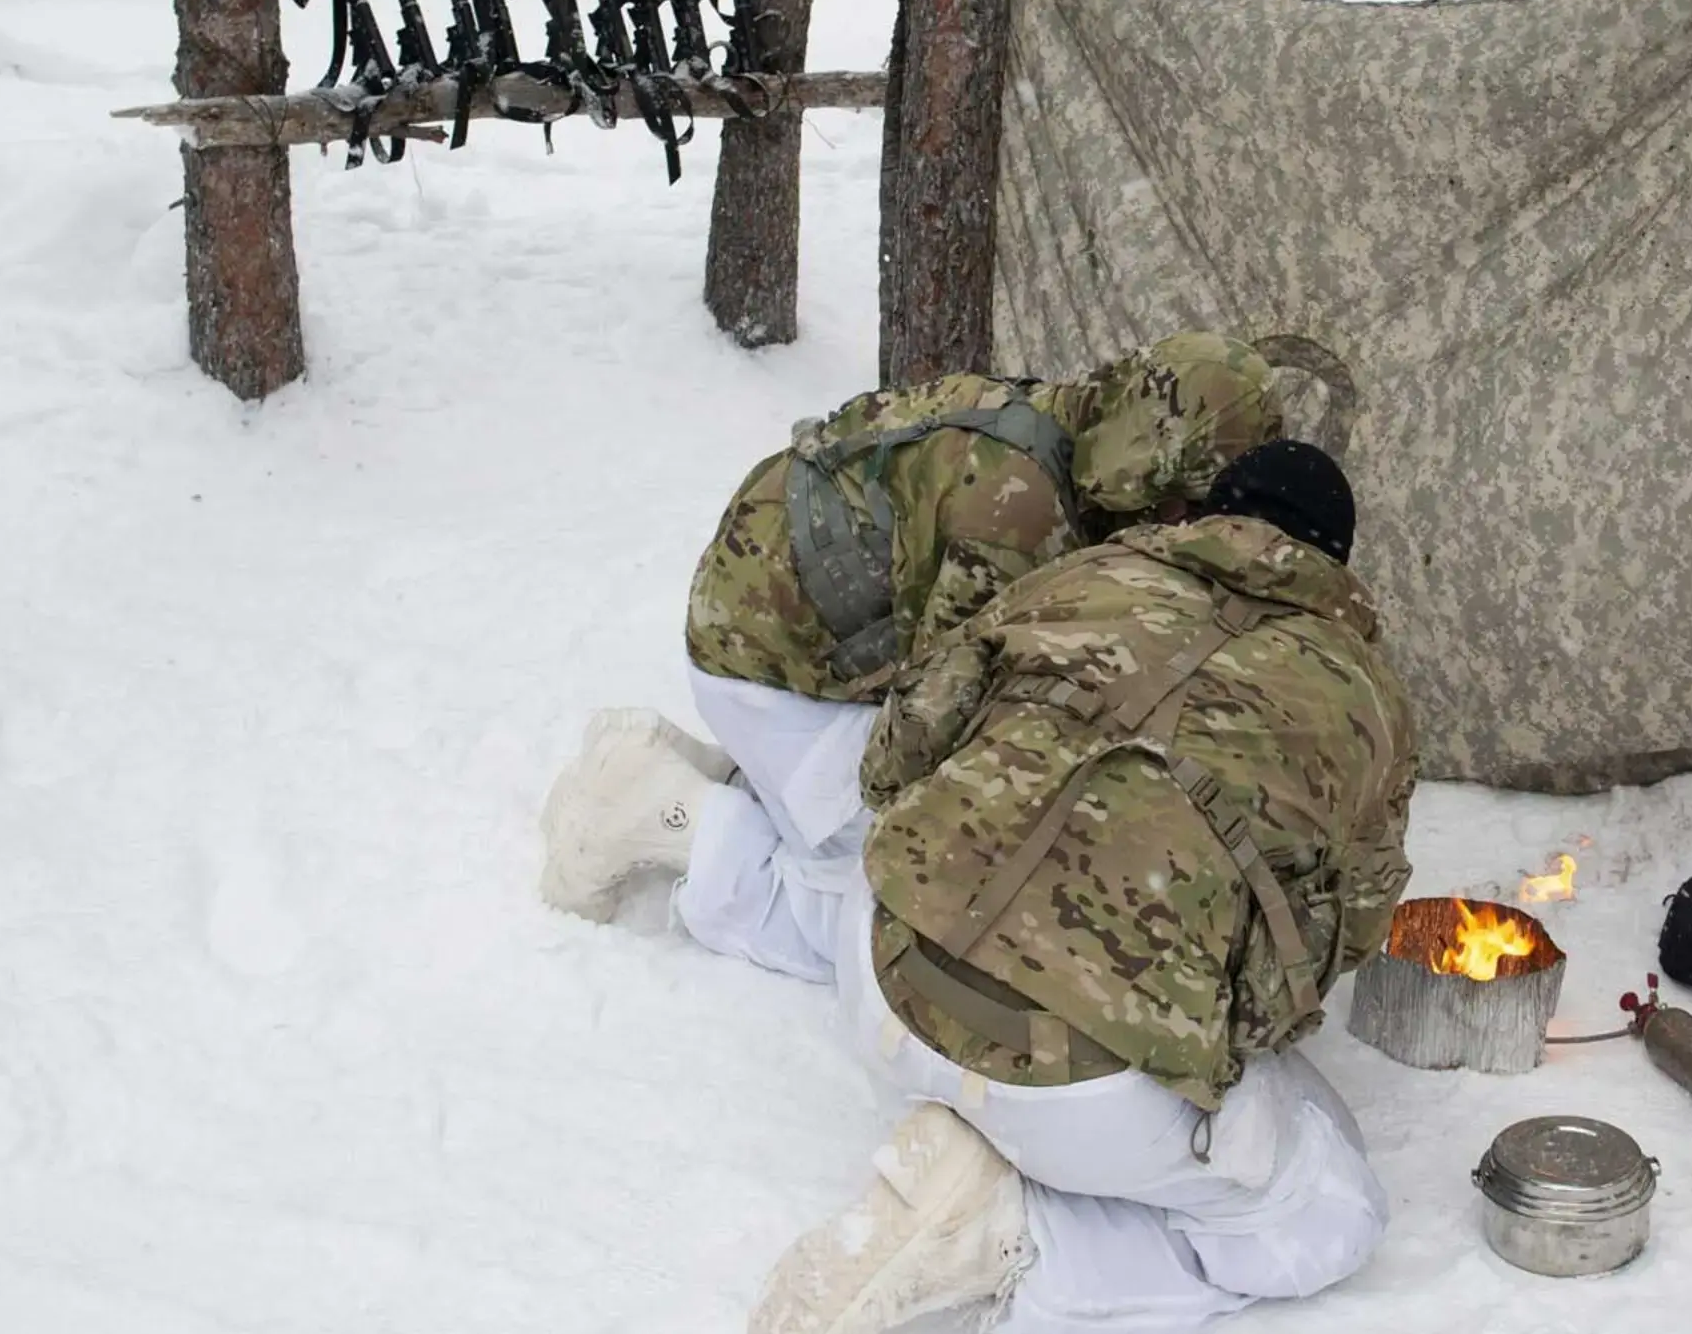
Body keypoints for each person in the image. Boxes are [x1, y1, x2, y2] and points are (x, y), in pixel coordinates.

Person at [739, 441, 1415, 1334]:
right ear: (1333, 565)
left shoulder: (1087, 573)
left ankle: (690, 834)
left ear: (1204, 516)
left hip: (885, 977)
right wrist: (1223, 1026)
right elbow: (1343, 938)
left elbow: (896, 754)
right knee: (1332, 1216)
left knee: (893, 877)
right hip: (1086, 1091)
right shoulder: (1367, 698)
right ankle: (1014, 1241)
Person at [537, 333, 1283, 982]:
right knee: (915, 919)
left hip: (774, 627)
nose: (1189, 525)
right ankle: (675, 819)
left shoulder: (1069, 422)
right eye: (1190, 503)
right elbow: (932, 729)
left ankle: (742, 776)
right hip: (767, 669)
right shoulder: (1025, 509)